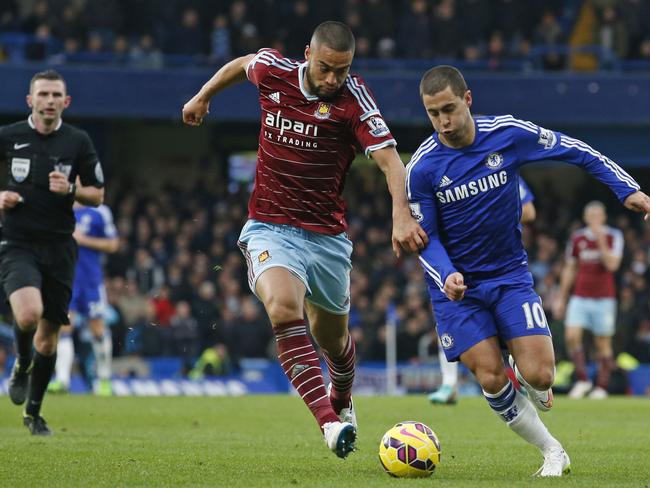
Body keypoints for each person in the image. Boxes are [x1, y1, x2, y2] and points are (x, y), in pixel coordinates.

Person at [182, 21, 426, 458]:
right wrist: (203, 96)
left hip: (327, 238)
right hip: (269, 228)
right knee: (281, 307)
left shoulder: (354, 100)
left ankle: (343, 394)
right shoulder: (275, 71)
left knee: (333, 339)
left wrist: (401, 216)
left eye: (343, 70)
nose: (334, 79)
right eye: (326, 68)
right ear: (307, 54)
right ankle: (329, 425)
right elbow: (242, 64)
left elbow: (391, 163)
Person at [406, 65, 650, 476]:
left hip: (509, 277)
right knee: (489, 376)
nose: (443, 121)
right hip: (457, 289)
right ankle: (553, 451)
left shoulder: (508, 133)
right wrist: (446, 274)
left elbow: (576, 150)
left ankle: (526, 370)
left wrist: (627, 188)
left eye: (449, 108)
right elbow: (424, 238)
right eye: (433, 113)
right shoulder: (423, 168)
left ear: (467, 100)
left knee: (540, 375)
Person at [0, 70, 105, 435]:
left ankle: (34, 412)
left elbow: (97, 194)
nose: (49, 100)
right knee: (28, 316)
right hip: (17, 243)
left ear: (66, 101)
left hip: (60, 246)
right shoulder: (9, 137)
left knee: (49, 336)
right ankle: (21, 363)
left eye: (55, 95)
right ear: (30, 100)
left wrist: (71, 191)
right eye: (42, 94)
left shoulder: (78, 141)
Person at [429, 179, 536, 405]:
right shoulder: (437, 172)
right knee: (449, 319)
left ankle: (522, 370)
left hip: (501, 263)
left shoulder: (503, 168)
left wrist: (484, 216)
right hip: (453, 263)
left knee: (503, 323)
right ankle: (449, 383)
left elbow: (529, 211)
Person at [553, 201, 622, 399]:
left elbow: (612, 265)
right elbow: (570, 268)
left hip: (604, 298)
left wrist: (600, 239)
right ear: (585, 218)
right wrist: (561, 297)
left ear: (604, 217)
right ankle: (583, 380)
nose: (593, 220)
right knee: (572, 336)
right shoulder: (578, 238)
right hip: (580, 296)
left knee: (602, 344)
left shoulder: (613, 236)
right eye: (590, 217)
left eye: (597, 216)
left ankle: (601, 386)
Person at [49, 202, 119, 396]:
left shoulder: (100, 211)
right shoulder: (58, 209)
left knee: (97, 328)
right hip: (66, 279)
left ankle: (104, 379)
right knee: (64, 326)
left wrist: (83, 239)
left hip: (91, 280)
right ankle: (62, 379)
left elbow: (113, 244)